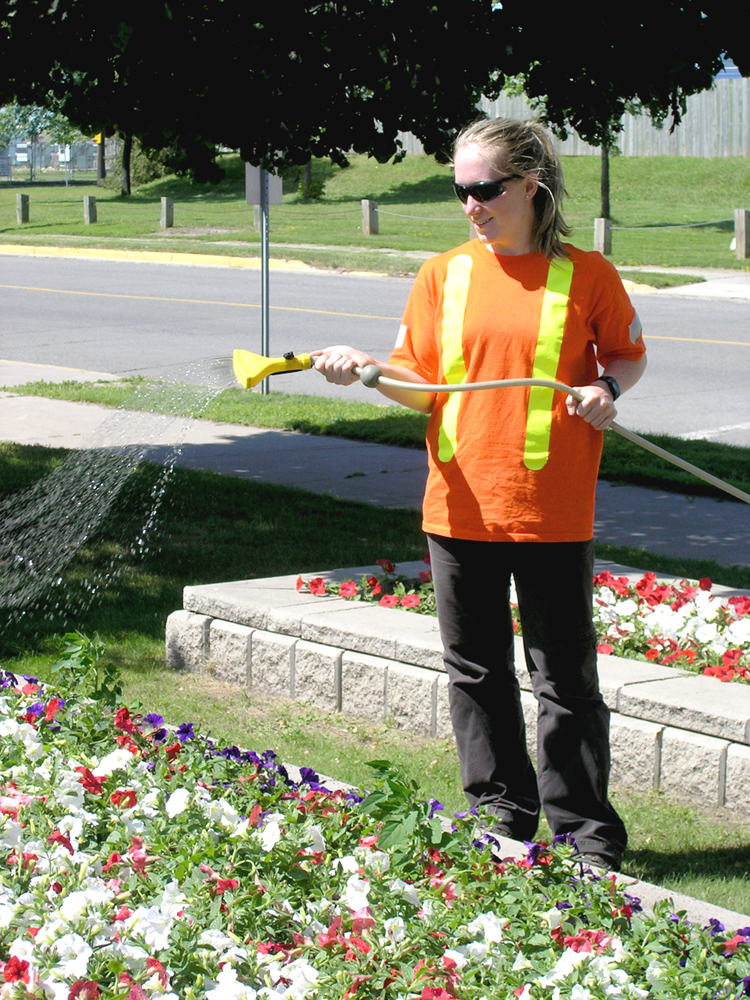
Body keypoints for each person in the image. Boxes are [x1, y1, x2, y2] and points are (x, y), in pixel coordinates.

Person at [312, 118, 646, 871]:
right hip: (459, 506)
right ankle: (497, 818)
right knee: (477, 673)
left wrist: (604, 388)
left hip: (552, 509)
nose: (472, 205)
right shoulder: (443, 274)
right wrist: (365, 370)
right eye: (461, 190)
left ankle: (584, 835)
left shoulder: (588, 273)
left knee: (564, 679)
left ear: (530, 184)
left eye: (486, 189)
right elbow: (422, 388)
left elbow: (626, 353)